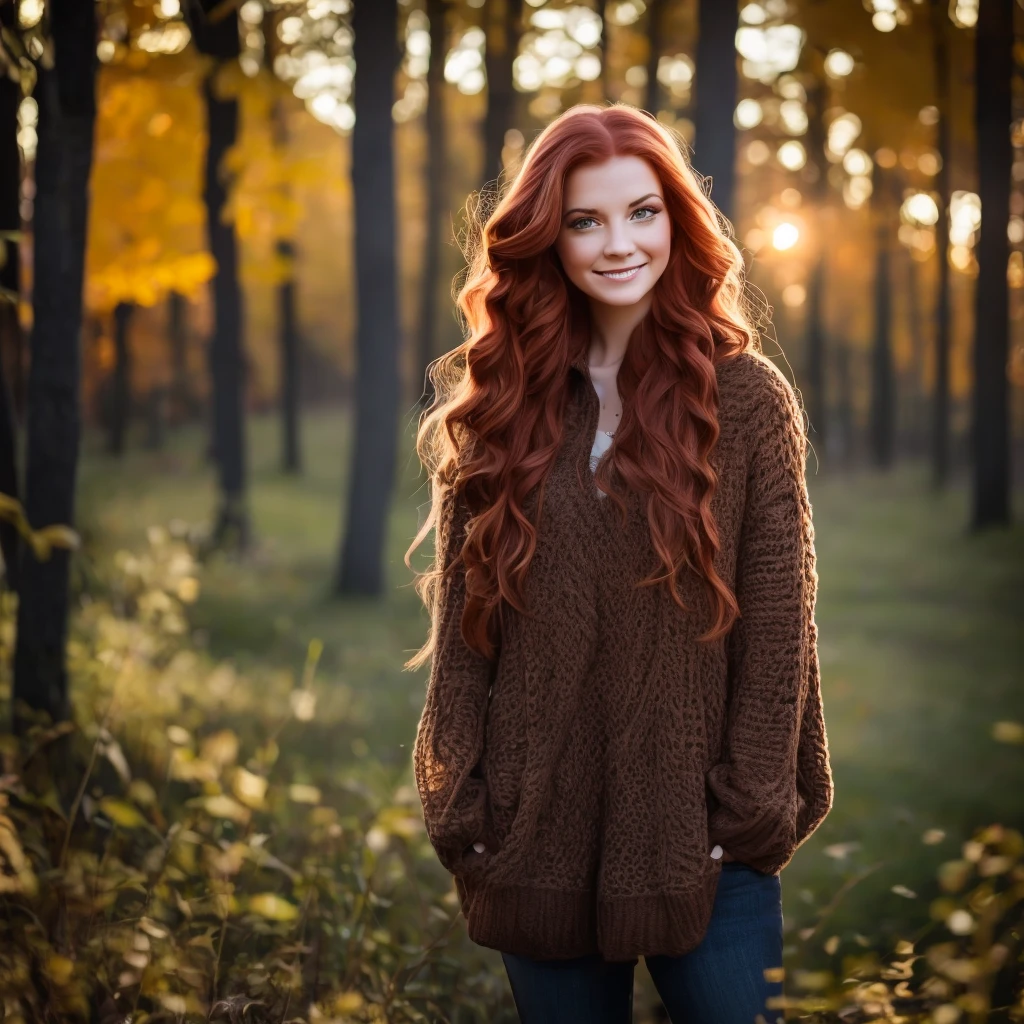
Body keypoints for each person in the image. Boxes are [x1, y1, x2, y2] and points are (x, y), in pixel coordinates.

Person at [404, 103, 833, 1024]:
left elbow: (779, 628)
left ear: (678, 222)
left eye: (642, 212)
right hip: (536, 830)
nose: (618, 243)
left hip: (703, 835)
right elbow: (466, 638)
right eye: (584, 220)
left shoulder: (748, 401)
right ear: (545, 239)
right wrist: (461, 803)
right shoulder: (501, 408)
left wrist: (745, 814)